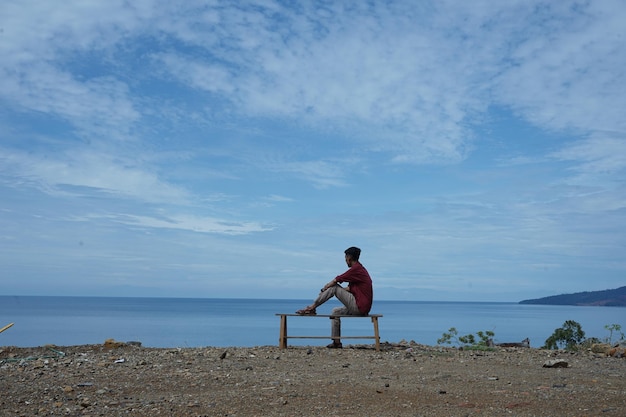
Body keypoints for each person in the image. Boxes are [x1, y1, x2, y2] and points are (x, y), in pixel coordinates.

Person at [296, 246, 373, 348]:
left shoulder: (356, 269)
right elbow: (348, 289)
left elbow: (337, 279)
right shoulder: (359, 271)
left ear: (349, 258)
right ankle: (336, 342)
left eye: (346, 259)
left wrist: (326, 287)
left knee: (334, 287)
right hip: (361, 306)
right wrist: (326, 291)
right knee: (335, 312)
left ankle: (312, 307)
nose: (346, 261)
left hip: (360, 307)